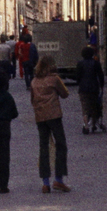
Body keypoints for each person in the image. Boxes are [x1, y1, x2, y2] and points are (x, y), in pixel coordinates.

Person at [29, 56, 71, 193]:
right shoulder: (54, 79)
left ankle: (45, 182)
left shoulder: (34, 81)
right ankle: (58, 179)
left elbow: (32, 100)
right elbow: (65, 94)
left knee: (44, 147)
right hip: (54, 115)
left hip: (40, 117)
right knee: (60, 145)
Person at [76, 45, 106, 134]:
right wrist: (102, 85)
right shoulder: (96, 63)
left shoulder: (80, 64)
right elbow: (100, 75)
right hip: (94, 87)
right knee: (93, 106)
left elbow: (78, 76)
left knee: (85, 107)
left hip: (83, 88)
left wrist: (80, 83)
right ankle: (93, 125)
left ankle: (86, 126)